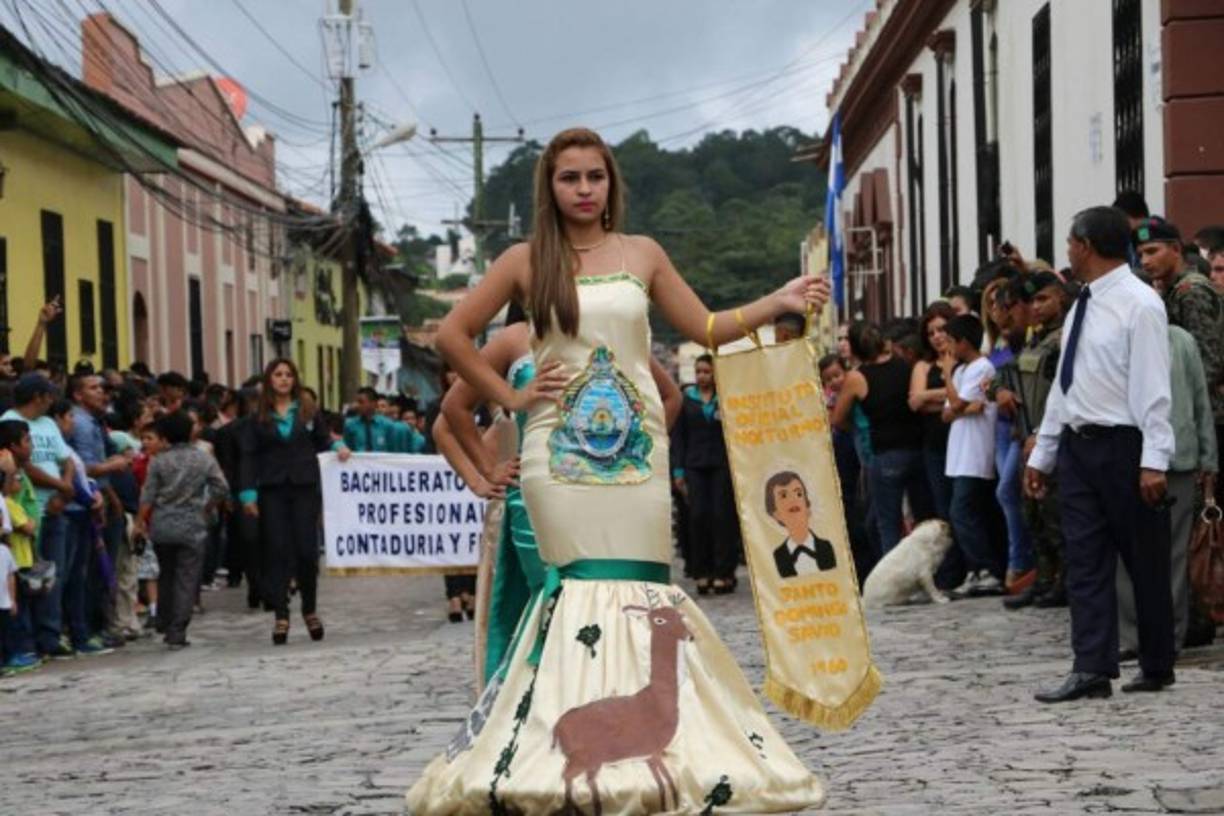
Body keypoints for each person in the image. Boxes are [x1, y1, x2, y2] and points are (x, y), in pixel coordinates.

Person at [407, 127, 828, 814]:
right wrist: (511, 396)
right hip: (556, 462)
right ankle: (555, 755)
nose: (582, 189)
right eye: (568, 177)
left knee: (641, 594)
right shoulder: (523, 260)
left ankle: (659, 747)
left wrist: (775, 302)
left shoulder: (643, 253)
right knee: (576, 596)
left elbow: (707, 327)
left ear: (611, 184)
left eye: (593, 177)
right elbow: (453, 336)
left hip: (637, 460)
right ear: (550, 186)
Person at [1026, 206, 1176, 703]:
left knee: (1143, 560)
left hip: (1125, 446)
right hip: (1079, 447)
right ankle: (1091, 667)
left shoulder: (1140, 304)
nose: (1066, 251)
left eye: (1070, 242)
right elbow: (1065, 388)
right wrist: (1043, 454)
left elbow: (1155, 389)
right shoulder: (1082, 305)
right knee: (1085, 560)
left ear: (1086, 246)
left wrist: (1154, 459)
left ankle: (1157, 661)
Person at [1116, 325, 1217, 657]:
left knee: (1173, 554)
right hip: (1128, 457)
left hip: (1178, 457)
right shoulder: (1113, 340)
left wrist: (1208, 460)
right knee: (1125, 552)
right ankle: (1132, 637)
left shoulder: (1181, 340)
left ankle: (1170, 636)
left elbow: (1201, 400)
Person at [238, 359, 350, 646]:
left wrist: (338, 446)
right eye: (278, 374)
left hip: (304, 487)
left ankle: (310, 608)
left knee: (306, 551)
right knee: (276, 550)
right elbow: (248, 456)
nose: (284, 379)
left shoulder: (308, 412)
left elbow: (323, 439)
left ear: (295, 379)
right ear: (269, 380)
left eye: (288, 374)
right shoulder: (258, 416)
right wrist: (247, 493)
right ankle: (281, 613)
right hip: (273, 489)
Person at [1133, 217, 1224, 507]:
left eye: (1152, 251)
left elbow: (1208, 365)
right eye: (1140, 253)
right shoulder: (1171, 291)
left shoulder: (1191, 292)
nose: (1145, 260)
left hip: (1204, 418)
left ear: (1175, 249)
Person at [832, 320, 933, 556]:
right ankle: (936, 576)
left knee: (887, 525)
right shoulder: (905, 366)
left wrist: (855, 427)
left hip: (885, 454)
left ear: (855, 349)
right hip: (917, 449)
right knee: (923, 519)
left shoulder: (857, 378)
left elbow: (837, 419)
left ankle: (895, 582)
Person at [1000, 271, 1070, 609]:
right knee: (1034, 514)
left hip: (1051, 437)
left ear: (1061, 297)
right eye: (1033, 301)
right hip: (1026, 435)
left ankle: (1065, 582)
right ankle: (1044, 578)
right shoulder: (1033, 340)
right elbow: (1002, 367)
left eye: (1044, 299)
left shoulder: (1064, 339)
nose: (1037, 307)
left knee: (1055, 514)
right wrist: (997, 389)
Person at [0, 374, 81, 658]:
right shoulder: (9, 421)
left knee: (53, 575)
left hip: (55, 507)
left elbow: (66, 458)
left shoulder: (47, 424)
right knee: (25, 578)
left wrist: (65, 490)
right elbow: (24, 464)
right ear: (38, 396)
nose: (52, 400)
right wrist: (61, 486)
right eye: (49, 394)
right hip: (26, 512)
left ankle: (51, 636)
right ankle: (28, 640)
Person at [133, 412, 228, 649]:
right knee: (187, 578)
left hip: (163, 524)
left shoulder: (159, 461)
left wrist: (139, 521)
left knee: (165, 574)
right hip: (192, 524)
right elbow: (221, 487)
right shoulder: (203, 459)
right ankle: (177, 629)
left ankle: (164, 620)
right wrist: (207, 508)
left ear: (164, 436)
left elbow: (148, 495)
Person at [941, 314, 1002, 594]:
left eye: (951, 341)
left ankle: (986, 567)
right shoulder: (962, 372)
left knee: (962, 511)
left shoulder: (981, 368)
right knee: (964, 512)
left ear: (964, 342)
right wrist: (959, 406)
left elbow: (958, 404)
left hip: (975, 454)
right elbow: (947, 413)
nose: (949, 348)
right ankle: (975, 569)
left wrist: (945, 374)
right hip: (959, 454)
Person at [672, 354, 739, 594]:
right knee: (697, 517)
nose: (702, 376)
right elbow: (679, 438)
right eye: (698, 371)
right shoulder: (686, 400)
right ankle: (701, 571)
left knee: (722, 518)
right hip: (694, 465)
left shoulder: (727, 400)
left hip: (722, 465)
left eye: (707, 372)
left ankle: (724, 572)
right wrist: (678, 471)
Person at [909, 302, 958, 521]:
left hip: (962, 442)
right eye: (931, 333)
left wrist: (929, 396)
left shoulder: (964, 360)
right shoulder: (923, 366)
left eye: (941, 329)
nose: (937, 336)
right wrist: (950, 397)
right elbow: (915, 402)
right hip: (934, 445)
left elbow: (969, 396)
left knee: (963, 505)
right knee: (943, 505)